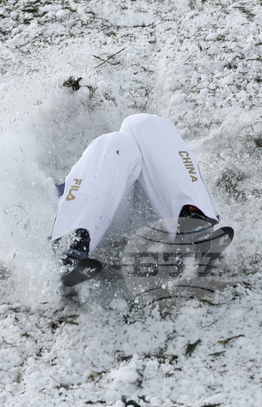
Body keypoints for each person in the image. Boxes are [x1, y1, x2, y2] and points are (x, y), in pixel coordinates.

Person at [50, 114, 229, 286]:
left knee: (142, 123)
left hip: (155, 218)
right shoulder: (80, 175)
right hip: (97, 227)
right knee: (114, 143)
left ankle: (195, 228)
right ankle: (69, 250)